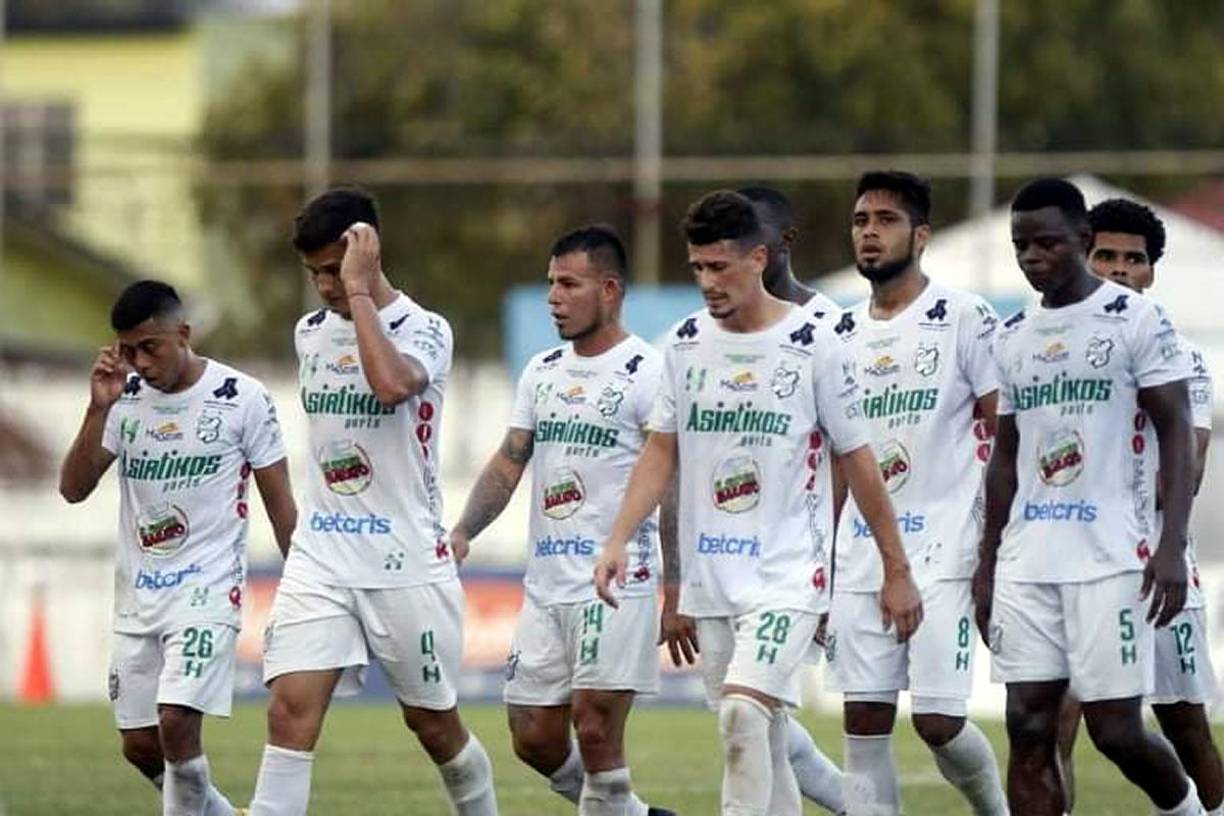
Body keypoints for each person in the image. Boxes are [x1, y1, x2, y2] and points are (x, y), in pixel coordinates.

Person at [595, 189, 923, 816]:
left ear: (758, 259)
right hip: (714, 581)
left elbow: (858, 460)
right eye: (697, 268)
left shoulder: (816, 341)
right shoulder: (686, 344)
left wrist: (896, 569)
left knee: (743, 718)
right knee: (762, 736)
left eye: (719, 267)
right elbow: (662, 453)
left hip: (789, 575)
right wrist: (619, 540)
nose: (707, 282)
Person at [248, 188, 497, 815]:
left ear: (366, 249)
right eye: (315, 275)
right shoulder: (309, 334)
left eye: (334, 269)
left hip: (404, 557)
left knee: (432, 726)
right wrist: (348, 293)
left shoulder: (427, 329)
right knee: (289, 714)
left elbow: (390, 386)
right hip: (322, 555)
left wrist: (360, 291)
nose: (326, 287)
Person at [973, 178, 1202, 815]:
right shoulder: (1013, 335)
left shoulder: (1137, 319)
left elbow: (1177, 431)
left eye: (1047, 242)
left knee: (1117, 732)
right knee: (1028, 725)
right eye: (1021, 245)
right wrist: (988, 560)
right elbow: (1006, 456)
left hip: (1110, 557)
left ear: (1082, 239)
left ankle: (1187, 811)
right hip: (1029, 560)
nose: (1032, 256)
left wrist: (1171, 546)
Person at [449, 225, 674, 816]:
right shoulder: (542, 370)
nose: (554, 296)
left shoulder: (648, 372)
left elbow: (667, 483)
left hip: (615, 583)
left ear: (610, 290)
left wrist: (675, 585)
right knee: (532, 736)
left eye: (569, 284)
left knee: (596, 730)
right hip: (545, 585)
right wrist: (465, 529)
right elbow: (510, 458)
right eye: (551, 283)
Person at [59, 280, 296, 816]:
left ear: (183, 334)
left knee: (177, 721)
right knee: (141, 745)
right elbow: (73, 489)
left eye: (150, 347)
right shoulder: (123, 400)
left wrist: (305, 588)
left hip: (208, 591)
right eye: (127, 350)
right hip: (138, 596)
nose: (139, 362)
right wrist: (97, 410)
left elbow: (282, 504)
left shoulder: (243, 399)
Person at [823, 171, 1007, 815]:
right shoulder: (838, 334)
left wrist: (995, 541)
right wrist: (825, 561)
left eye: (886, 220)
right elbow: (839, 464)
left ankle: (995, 809)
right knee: (863, 718)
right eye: (860, 220)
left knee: (937, 722)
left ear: (921, 236)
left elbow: (1002, 430)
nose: (869, 232)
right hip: (859, 555)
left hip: (946, 553)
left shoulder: (965, 318)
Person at [1055, 198, 1222, 815]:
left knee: (1184, 724)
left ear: (1151, 271)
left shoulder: (1180, 356)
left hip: (1155, 564)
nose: (1120, 269)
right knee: (1051, 725)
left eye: (1135, 259)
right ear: (1082, 255)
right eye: (1106, 255)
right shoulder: (1046, 351)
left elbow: (1192, 466)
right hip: (1064, 565)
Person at [730, 184, 846, 814]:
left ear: (784, 243)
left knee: (752, 709)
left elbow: (857, 456)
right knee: (750, 711)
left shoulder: (832, 328)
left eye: (756, 240)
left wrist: (839, 555)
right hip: (734, 556)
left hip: (810, 558)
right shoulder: (717, 335)